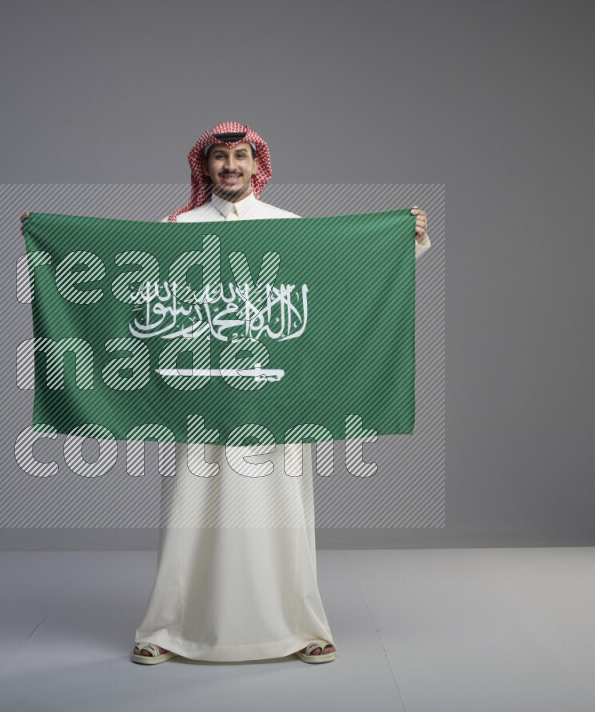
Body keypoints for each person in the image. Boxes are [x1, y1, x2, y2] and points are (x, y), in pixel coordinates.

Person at [130, 121, 431, 665]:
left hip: (277, 394)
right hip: (200, 396)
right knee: (189, 509)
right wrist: (53, 239)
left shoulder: (290, 228)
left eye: (240, 156)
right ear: (205, 167)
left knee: (282, 510)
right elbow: (128, 286)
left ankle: (300, 627)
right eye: (220, 158)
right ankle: (168, 629)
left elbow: (345, 278)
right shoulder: (175, 227)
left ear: (256, 164)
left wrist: (401, 239)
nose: (230, 167)